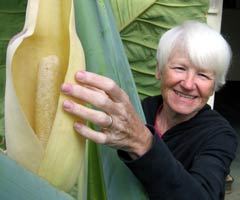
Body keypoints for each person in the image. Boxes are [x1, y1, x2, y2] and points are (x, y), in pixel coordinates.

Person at [61, 20, 237, 200]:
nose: (188, 84)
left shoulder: (220, 135)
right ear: (159, 70)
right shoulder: (142, 109)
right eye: (179, 68)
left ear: (214, 85)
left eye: (202, 75)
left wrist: (143, 142)